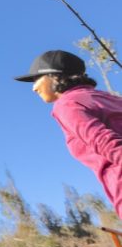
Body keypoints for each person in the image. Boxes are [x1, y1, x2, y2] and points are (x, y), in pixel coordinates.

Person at [16, 50, 122, 220]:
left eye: (37, 79)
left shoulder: (67, 104)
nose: (33, 88)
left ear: (55, 76)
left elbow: (104, 141)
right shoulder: (110, 99)